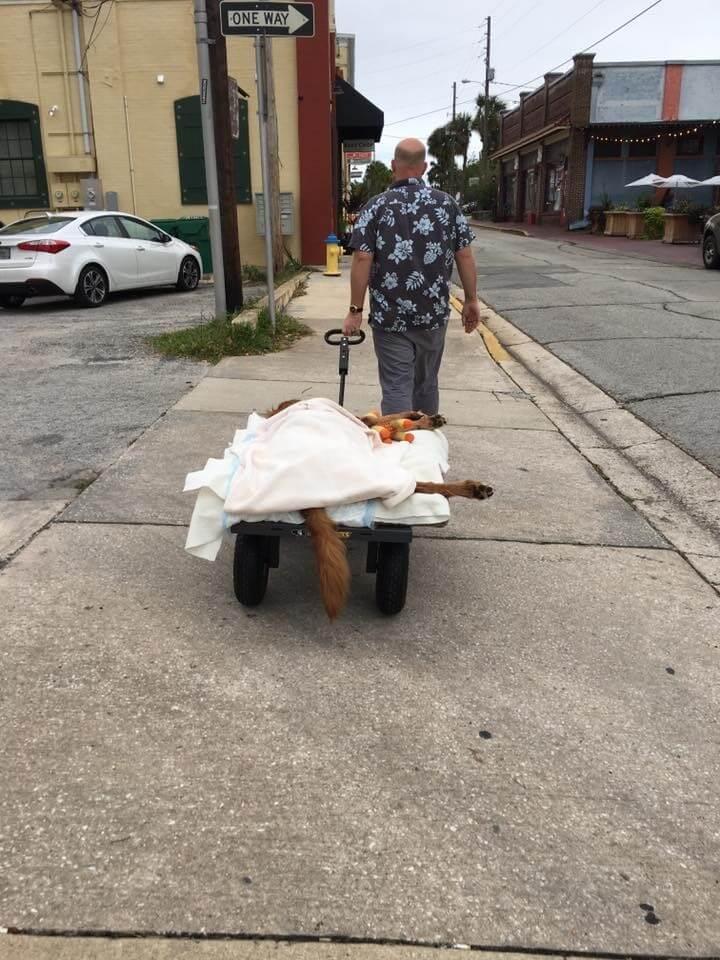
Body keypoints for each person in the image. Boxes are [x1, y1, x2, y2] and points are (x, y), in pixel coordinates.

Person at [343, 137, 482, 415]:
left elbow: (362, 258)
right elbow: (465, 255)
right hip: (432, 316)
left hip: (390, 318)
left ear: (393, 165)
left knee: (396, 387)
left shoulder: (376, 207)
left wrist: (355, 310)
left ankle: (401, 440)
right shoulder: (446, 205)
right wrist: (471, 300)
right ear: (424, 167)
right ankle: (426, 439)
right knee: (426, 385)